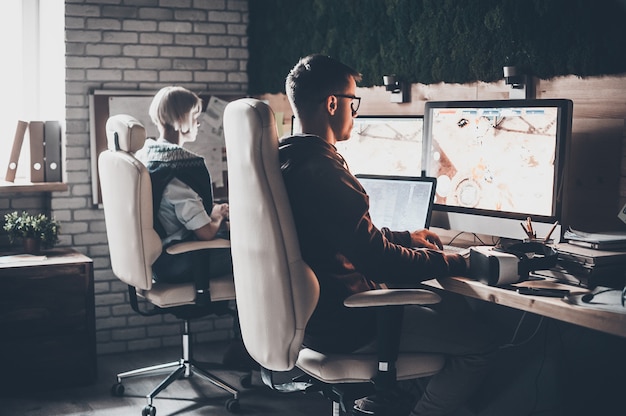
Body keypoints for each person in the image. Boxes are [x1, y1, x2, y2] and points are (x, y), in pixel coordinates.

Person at [279, 54, 496, 416]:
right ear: (333, 103)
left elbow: (342, 234)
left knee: (444, 310)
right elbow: (380, 261)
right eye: (353, 100)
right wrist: (455, 261)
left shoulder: (287, 160)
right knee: (482, 342)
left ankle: (392, 399)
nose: (356, 111)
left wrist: (406, 237)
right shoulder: (325, 171)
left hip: (314, 320)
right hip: (349, 325)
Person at [135, 86, 231, 294]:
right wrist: (219, 216)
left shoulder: (148, 157)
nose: (198, 122)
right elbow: (205, 234)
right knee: (258, 253)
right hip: (176, 264)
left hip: (157, 263)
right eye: (195, 116)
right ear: (183, 118)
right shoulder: (177, 171)